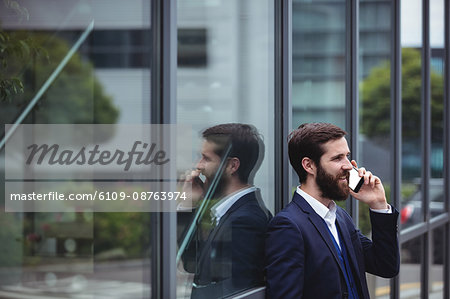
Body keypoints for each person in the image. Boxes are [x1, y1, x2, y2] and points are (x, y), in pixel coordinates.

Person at [265, 122, 399, 299]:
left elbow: (386, 266)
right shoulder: (288, 226)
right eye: (337, 158)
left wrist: (379, 205)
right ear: (309, 166)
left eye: (347, 156)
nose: (348, 166)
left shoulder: (340, 217)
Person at [179, 123, 272, 299]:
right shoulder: (231, 213)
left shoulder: (245, 221)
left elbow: (234, 293)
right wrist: (188, 205)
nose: (198, 166)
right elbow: (191, 262)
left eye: (206, 158)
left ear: (232, 166)